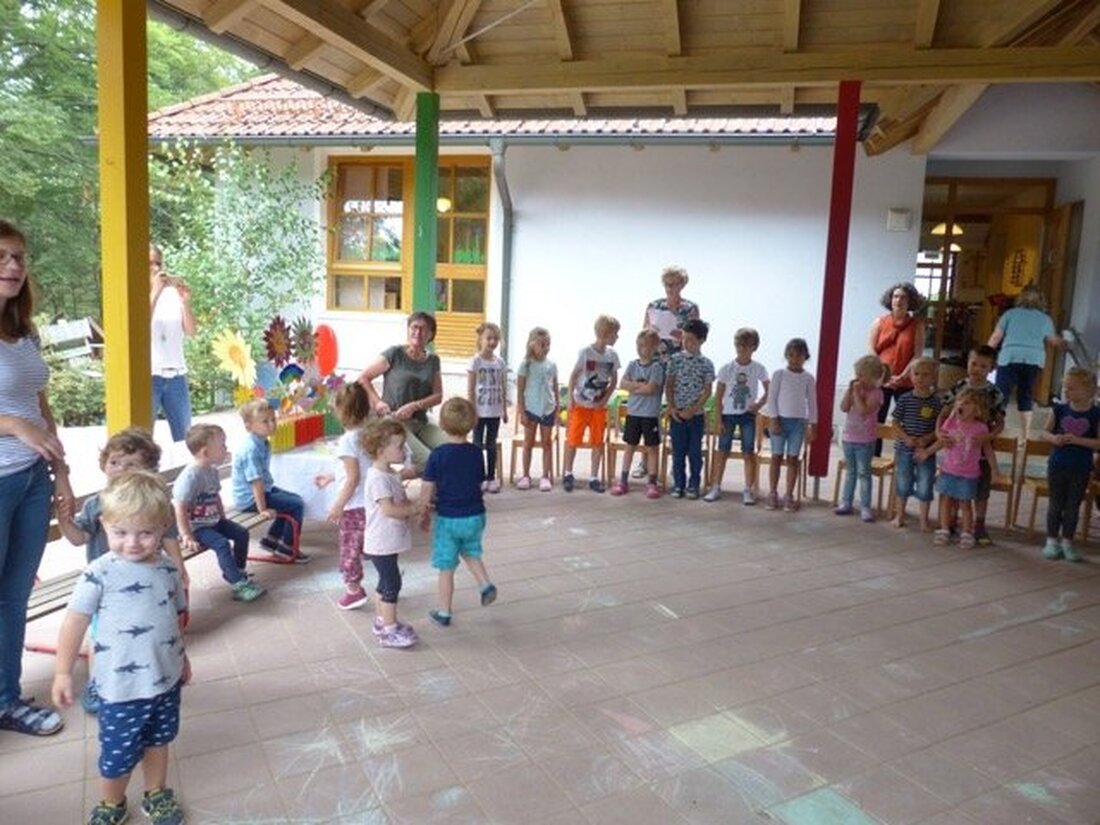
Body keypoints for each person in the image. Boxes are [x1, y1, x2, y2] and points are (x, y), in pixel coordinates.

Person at [52, 471, 189, 825]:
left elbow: (171, 619)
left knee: (159, 741)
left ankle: (156, 793)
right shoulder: (99, 573)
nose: (132, 543)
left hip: (164, 679)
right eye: (121, 532)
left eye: (145, 532)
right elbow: (74, 623)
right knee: (116, 755)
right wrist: (63, 672)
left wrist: (182, 658)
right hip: (120, 689)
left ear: (163, 527)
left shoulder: (168, 570)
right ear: (104, 524)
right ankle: (112, 803)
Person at [57, 427, 188, 714]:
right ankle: (97, 683)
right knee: (100, 637)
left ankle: (156, 674)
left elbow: (168, 537)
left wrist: (179, 568)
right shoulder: (96, 504)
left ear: (148, 471)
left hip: (147, 578)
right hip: (106, 591)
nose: (120, 469)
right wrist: (64, 520)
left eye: (131, 464)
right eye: (115, 462)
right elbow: (79, 537)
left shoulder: (155, 504)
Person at [0, 218, 71, 737]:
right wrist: (9, 424)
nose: (14, 266)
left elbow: (41, 405)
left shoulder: (23, 331)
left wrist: (62, 473)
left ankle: (6, 698)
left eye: (20, 257)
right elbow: (21, 416)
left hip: (31, 480)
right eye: (2, 257)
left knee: (15, 594)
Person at [419, 398, 498, 627]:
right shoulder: (476, 453)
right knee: (470, 550)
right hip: (475, 516)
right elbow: (478, 481)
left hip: (449, 519)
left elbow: (426, 488)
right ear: (473, 423)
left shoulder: (438, 455)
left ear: (441, 425)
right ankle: (485, 584)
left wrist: (423, 512)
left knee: (446, 567)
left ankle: (444, 612)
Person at [173, 424, 265, 603]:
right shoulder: (191, 477)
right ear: (206, 452)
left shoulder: (212, 471)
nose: (226, 448)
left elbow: (215, 496)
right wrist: (186, 534)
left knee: (241, 533)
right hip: (198, 527)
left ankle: (237, 572)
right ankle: (238, 585)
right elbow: (180, 506)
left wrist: (223, 517)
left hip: (214, 521)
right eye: (222, 445)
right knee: (222, 544)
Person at [357, 312, 444, 474]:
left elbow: (438, 396)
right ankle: (390, 482)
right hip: (395, 423)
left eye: (423, 329)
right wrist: (377, 402)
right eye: (414, 327)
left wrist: (415, 405)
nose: (417, 333)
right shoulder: (394, 354)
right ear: (408, 329)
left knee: (451, 450)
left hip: (421, 421)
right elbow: (363, 378)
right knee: (427, 461)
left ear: (431, 334)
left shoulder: (433, 361)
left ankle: (441, 493)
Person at [635, 265, 700, 478]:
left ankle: (676, 461)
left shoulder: (690, 308)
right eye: (667, 284)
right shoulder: (654, 305)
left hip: (679, 365)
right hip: (654, 363)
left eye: (675, 284)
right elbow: (643, 335)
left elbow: (697, 337)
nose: (671, 288)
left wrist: (680, 334)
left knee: (676, 411)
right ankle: (644, 461)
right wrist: (652, 332)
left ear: (683, 285)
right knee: (649, 411)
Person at [937, 345, 1006, 545]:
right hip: (957, 447)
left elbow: (1000, 422)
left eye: (983, 366)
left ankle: (979, 525)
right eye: (973, 363)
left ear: (991, 369)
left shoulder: (995, 393)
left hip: (980, 448)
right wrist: (938, 432)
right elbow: (943, 413)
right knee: (954, 488)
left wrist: (988, 437)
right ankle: (951, 521)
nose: (976, 369)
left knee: (980, 490)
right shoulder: (959, 386)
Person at [361, 418, 419, 648]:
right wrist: (412, 508)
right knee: (392, 584)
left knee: (385, 581)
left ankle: (381, 620)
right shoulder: (377, 478)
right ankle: (389, 630)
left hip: (387, 542)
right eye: (399, 446)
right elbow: (389, 510)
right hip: (381, 542)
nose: (404, 450)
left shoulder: (390, 474)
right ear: (381, 450)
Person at [315, 383, 373, 610]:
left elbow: (353, 477)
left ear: (344, 412)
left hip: (355, 505)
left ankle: (353, 590)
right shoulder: (369, 434)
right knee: (373, 545)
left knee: (350, 549)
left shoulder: (347, 440)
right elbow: (362, 467)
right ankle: (390, 581)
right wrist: (331, 476)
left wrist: (338, 505)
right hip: (372, 501)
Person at [232, 399, 311, 563]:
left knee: (294, 500)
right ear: (249, 426)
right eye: (265, 421)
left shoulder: (262, 442)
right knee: (295, 504)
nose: (272, 424)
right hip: (250, 499)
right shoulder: (251, 449)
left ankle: (273, 540)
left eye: (273, 419)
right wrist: (263, 510)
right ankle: (287, 548)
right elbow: (256, 482)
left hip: (263, 491)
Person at [1037, 367, 1100, 563]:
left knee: (1073, 506)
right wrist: (1054, 438)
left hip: (1081, 467)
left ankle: (1068, 541)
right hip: (1057, 464)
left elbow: (1098, 443)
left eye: (1072, 388)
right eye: (1065, 388)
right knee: (1055, 504)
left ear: (1089, 391)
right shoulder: (1059, 409)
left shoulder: (1096, 414)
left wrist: (1077, 440)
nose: (1067, 392)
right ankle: (1051, 540)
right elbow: (1044, 432)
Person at [987, 284, 1064, 442]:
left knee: (1001, 395)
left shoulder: (1010, 314)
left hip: (1009, 357)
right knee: (1026, 396)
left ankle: (993, 431)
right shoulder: (1045, 319)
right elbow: (1052, 341)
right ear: (1041, 300)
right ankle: (1025, 436)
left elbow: (996, 337)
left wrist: (984, 354)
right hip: (1033, 360)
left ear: (1020, 298)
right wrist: (1065, 342)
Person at [920, 388, 992, 550]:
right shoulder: (951, 423)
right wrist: (928, 452)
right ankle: (944, 528)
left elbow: (987, 449)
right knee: (945, 500)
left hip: (968, 474)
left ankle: (967, 532)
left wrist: (995, 469)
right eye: (959, 401)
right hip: (948, 470)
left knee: (965, 503)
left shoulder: (980, 428)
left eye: (966, 403)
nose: (961, 405)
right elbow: (941, 442)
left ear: (977, 408)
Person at [705, 327, 769, 504]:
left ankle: (748, 489)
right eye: (739, 345)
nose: (741, 348)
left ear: (754, 347)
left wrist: (759, 404)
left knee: (748, 452)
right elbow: (718, 396)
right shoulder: (727, 368)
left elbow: (769, 390)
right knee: (722, 451)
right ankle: (716, 486)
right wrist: (717, 420)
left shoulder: (758, 368)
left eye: (746, 345)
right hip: (728, 414)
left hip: (748, 415)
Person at [562, 315, 621, 493]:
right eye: (615, 334)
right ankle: (568, 473)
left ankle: (594, 477)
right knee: (573, 439)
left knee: (597, 441)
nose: (617, 337)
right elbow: (573, 375)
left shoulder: (612, 355)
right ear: (605, 334)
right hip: (580, 404)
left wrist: (604, 400)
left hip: (598, 407)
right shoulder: (585, 352)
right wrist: (571, 400)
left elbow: (614, 381)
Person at [869, 282, 926, 454]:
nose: (898, 300)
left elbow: (917, 354)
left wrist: (902, 375)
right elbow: (872, 351)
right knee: (876, 419)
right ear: (890, 299)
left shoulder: (917, 325)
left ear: (910, 301)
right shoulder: (879, 322)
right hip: (881, 380)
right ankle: (873, 457)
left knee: (907, 421)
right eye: (895, 296)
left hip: (906, 380)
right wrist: (885, 377)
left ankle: (904, 456)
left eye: (903, 297)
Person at [762, 338, 818, 513]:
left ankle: (789, 495)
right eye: (791, 355)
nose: (795, 359)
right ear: (786, 355)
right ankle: (772, 493)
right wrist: (774, 419)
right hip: (779, 421)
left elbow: (812, 403)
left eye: (799, 355)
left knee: (793, 459)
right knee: (776, 457)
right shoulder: (779, 374)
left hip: (798, 424)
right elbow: (771, 399)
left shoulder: (808, 378)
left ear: (805, 357)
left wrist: (812, 425)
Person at [610, 329, 665, 499]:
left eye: (647, 346)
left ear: (654, 347)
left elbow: (652, 389)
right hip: (633, 413)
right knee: (629, 446)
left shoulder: (657, 367)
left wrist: (634, 387)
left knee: (652, 449)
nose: (642, 349)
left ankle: (652, 482)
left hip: (650, 415)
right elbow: (622, 384)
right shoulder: (632, 365)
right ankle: (623, 480)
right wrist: (640, 387)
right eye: (640, 345)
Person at [149, 245, 196, 443]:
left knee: (186, 437)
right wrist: (155, 291)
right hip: (149, 374)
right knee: (142, 438)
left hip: (176, 373)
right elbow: (135, 327)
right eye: (149, 263)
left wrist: (185, 301)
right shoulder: (134, 292)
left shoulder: (171, 294)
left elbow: (191, 331)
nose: (155, 268)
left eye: (158, 263)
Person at [890, 357, 943, 531]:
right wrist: (905, 437)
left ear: (934, 377)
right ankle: (900, 516)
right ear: (911, 376)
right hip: (904, 449)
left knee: (925, 483)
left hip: (926, 451)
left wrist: (927, 439)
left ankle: (924, 520)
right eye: (916, 374)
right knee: (903, 482)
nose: (920, 378)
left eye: (925, 374)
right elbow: (895, 422)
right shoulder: (905, 399)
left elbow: (940, 428)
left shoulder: (936, 402)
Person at [665, 318, 714, 500]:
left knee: (694, 453)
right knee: (678, 452)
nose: (686, 343)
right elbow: (669, 385)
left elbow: (707, 391)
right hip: (677, 415)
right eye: (684, 338)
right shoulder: (675, 360)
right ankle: (679, 484)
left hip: (696, 416)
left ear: (701, 340)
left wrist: (692, 410)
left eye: (691, 339)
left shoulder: (706, 364)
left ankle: (694, 485)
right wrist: (671, 408)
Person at [835, 355, 888, 522]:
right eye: (856, 374)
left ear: (873, 377)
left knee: (864, 473)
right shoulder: (855, 389)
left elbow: (863, 411)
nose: (857, 378)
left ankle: (865, 506)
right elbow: (844, 408)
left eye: (861, 375)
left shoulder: (877, 394)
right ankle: (846, 502)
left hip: (865, 441)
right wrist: (850, 392)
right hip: (849, 438)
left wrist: (857, 393)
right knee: (851, 472)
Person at [515, 327, 558, 492]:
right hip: (531, 409)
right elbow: (519, 390)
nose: (546, 347)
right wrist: (522, 411)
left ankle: (545, 476)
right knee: (528, 443)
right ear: (532, 345)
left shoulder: (552, 365)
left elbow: (554, 387)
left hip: (547, 409)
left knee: (547, 443)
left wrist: (556, 409)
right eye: (542, 344)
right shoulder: (525, 365)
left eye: (548, 344)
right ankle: (526, 475)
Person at [467, 322, 508, 493]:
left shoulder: (500, 362)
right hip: (479, 411)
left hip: (495, 411)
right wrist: (472, 410)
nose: (492, 342)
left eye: (495, 339)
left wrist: (504, 409)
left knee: (491, 444)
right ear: (481, 339)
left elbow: (503, 387)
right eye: (489, 338)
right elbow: (470, 389)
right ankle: (479, 477)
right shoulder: (475, 361)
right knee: (477, 444)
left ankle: (491, 477)